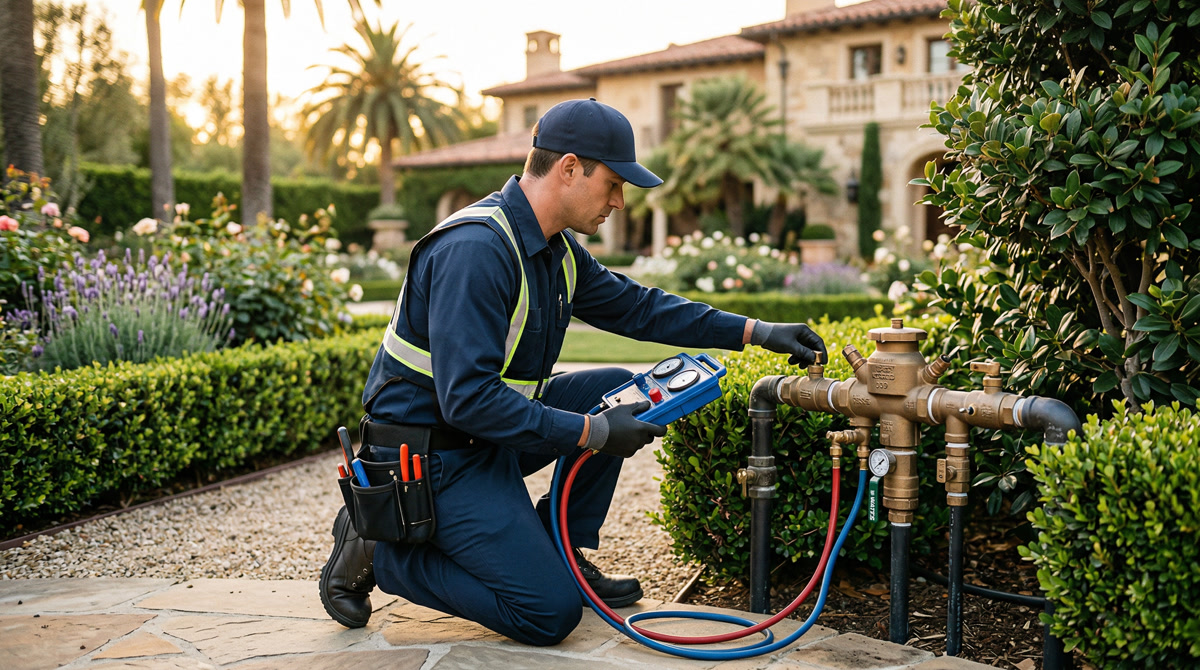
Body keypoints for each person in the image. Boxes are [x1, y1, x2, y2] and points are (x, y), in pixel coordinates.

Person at [318, 98, 827, 646]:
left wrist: (756, 330)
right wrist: (594, 432)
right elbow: (468, 400)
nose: (620, 201)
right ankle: (384, 550)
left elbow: (638, 307)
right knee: (548, 614)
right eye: (613, 183)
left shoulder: (556, 249)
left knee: (612, 388)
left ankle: (564, 549)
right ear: (568, 167)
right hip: (432, 457)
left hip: (482, 437)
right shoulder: (476, 250)